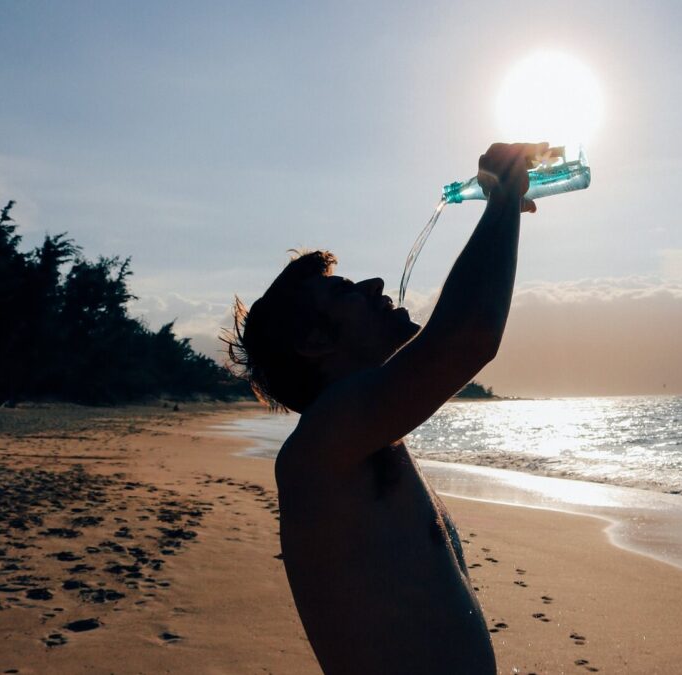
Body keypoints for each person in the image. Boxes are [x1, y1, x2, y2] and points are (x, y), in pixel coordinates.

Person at [226, 142, 548, 674]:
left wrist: (504, 208)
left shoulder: (364, 439)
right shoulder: (324, 445)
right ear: (315, 341)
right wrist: (502, 197)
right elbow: (467, 337)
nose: (375, 284)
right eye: (346, 291)